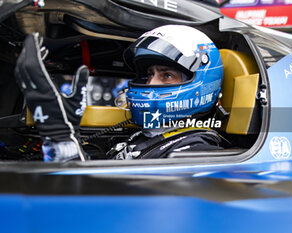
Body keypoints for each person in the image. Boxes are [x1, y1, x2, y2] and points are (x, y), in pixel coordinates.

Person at [14, 25, 228, 162]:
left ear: (201, 83)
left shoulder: (196, 153)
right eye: (149, 74)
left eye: (167, 76)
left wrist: (63, 146)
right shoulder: (145, 134)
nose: (150, 83)